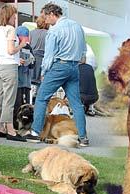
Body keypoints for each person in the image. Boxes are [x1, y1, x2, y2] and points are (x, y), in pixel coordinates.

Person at [25, 3, 89, 146]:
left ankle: (35, 133)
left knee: (41, 98)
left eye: (45, 17)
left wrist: (43, 72)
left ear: (52, 14)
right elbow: (84, 50)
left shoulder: (54, 31)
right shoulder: (77, 26)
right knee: (76, 104)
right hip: (74, 67)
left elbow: (49, 56)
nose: (45, 21)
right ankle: (83, 138)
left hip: (59, 66)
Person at [0, 5, 27, 142]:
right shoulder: (11, 30)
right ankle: (11, 130)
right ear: (9, 16)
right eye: (14, 15)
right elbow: (11, 50)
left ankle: (0, 128)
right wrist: (22, 45)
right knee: (9, 100)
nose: (15, 18)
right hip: (9, 67)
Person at [13, 26, 35, 127]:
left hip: (26, 81)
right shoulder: (14, 45)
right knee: (17, 103)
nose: (26, 39)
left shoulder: (28, 47)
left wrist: (31, 61)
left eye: (27, 37)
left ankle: (27, 124)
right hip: (17, 80)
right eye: (24, 37)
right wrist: (17, 61)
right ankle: (15, 125)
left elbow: (32, 65)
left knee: (26, 104)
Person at [29, 16, 49, 103]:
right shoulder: (48, 33)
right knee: (41, 83)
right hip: (42, 60)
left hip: (31, 60)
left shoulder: (31, 33)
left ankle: (29, 100)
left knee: (30, 82)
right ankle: (38, 102)